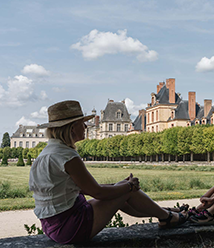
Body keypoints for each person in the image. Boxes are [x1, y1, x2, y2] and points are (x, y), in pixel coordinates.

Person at [29, 100, 187, 244]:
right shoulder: (67, 156)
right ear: (72, 128)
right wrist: (129, 187)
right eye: (82, 123)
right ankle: (167, 217)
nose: (85, 127)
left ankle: (165, 213)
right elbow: (97, 192)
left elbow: (84, 188)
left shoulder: (48, 153)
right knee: (126, 192)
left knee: (122, 189)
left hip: (54, 226)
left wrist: (120, 185)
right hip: (70, 227)